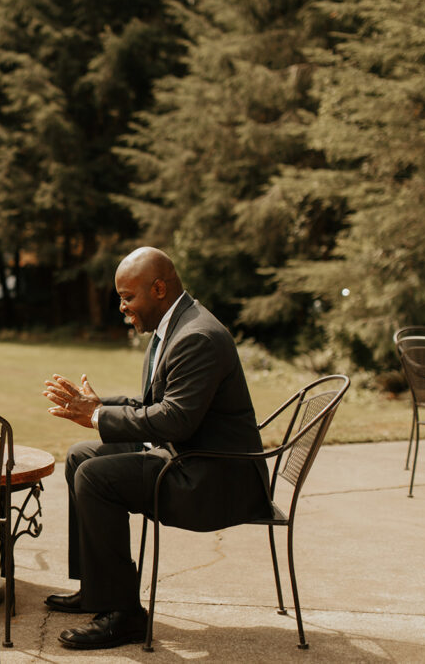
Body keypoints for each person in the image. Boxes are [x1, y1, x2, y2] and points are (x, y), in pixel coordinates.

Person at [41, 246, 270, 650]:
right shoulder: (175, 325)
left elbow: (175, 420)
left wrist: (95, 417)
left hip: (214, 479)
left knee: (95, 476)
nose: (123, 308)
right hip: (190, 457)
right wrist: (99, 407)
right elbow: (157, 408)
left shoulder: (197, 335)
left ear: (159, 288)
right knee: (81, 457)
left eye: (128, 297)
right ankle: (99, 588)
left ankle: (125, 615)